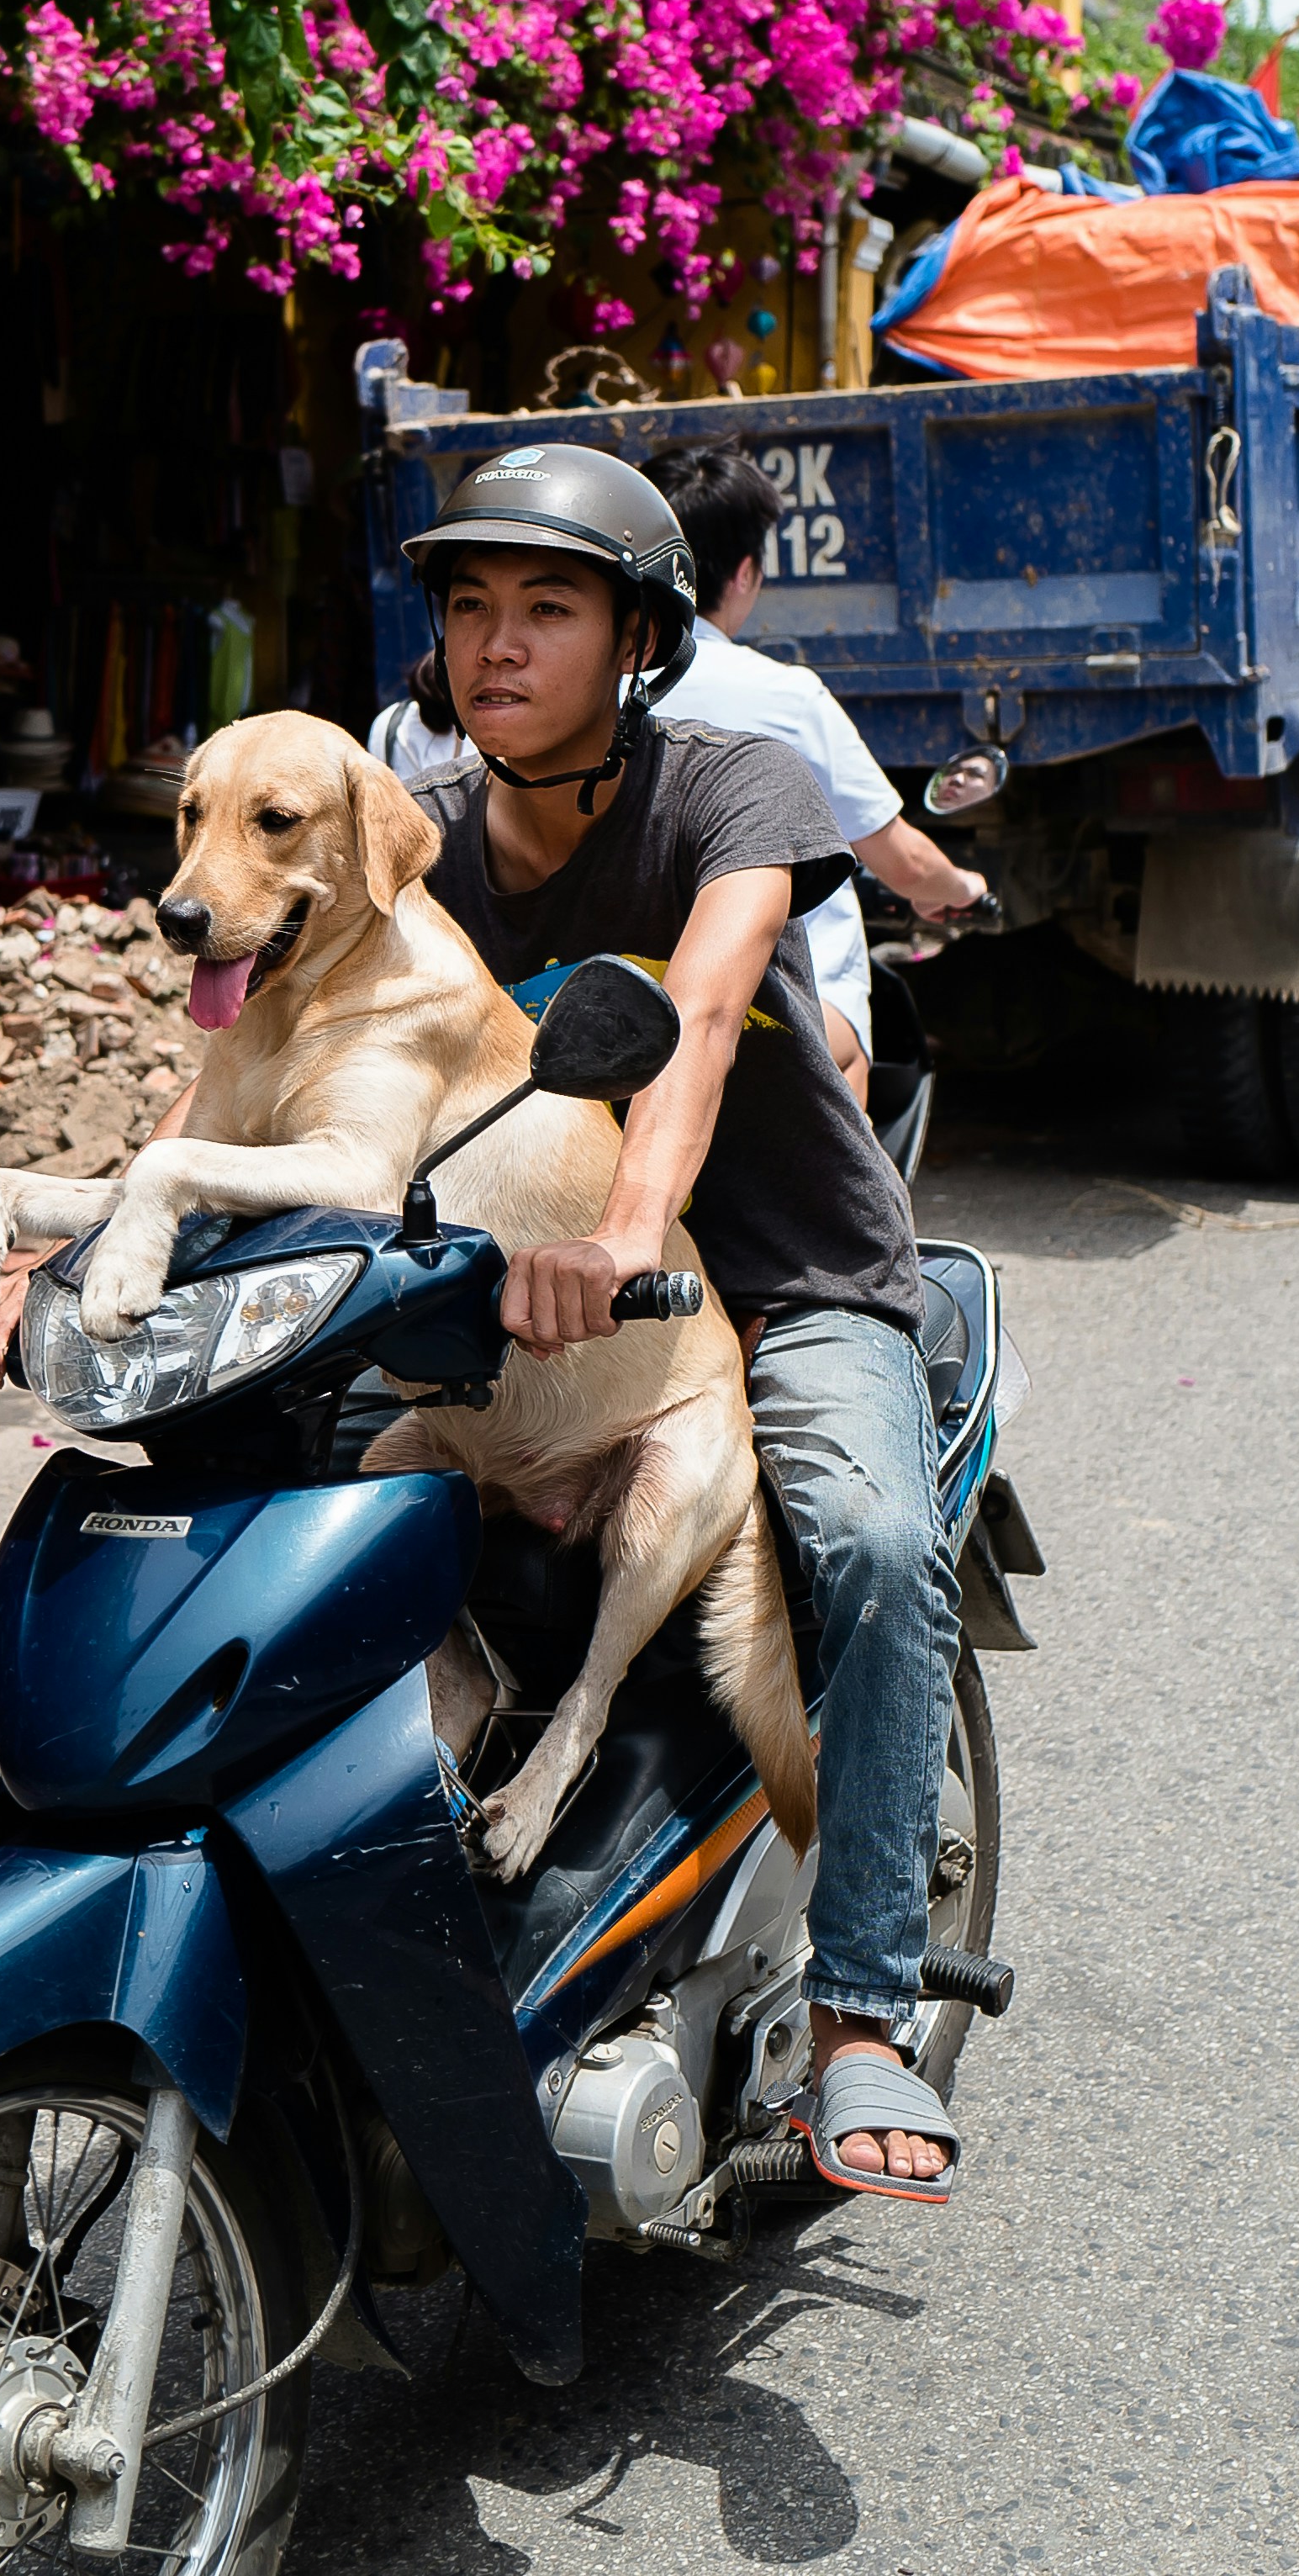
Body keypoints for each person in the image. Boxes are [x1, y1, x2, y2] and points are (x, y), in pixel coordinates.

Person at [399, 443, 972, 2201]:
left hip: (783, 1277)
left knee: (871, 1538)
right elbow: (293, 1040)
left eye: (547, 609)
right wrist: (97, 1229)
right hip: (517, 1295)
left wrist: (630, 1229)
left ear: (640, 640)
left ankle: (863, 2009)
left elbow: (703, 1013)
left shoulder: (736, 784)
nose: (498, 645)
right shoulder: (420, 831)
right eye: (470, 607)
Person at [639, 443, 988, 1098]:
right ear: (745, 573)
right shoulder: (787, 697)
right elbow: (904, 862)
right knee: (843, 1062)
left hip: (614, 1005)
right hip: (770, 1018)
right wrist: (961, 885)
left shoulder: (594, 690)